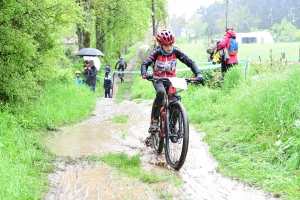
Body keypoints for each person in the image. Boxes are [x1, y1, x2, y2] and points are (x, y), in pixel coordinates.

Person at [141, 29, 204, 134]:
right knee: (161, 92)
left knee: (174, 99)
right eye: (166, 45)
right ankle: (155, 120)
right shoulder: (156, 52)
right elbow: (145, 64)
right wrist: (144, 73)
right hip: (157, 78)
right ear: (161, 45)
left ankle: (173, 126)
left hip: (171, 79)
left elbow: (190, 62)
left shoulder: (176, 51)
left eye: (171, 44)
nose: (169, 48)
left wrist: (198, 74)